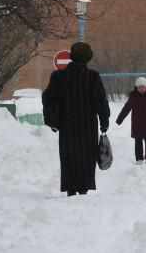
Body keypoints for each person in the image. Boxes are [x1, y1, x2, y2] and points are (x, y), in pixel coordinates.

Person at [41, 42, 110, 196]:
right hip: (88, 126)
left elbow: (48, 98)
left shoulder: (58, 76)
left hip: (67, 126)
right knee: (86, 156)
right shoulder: (93, 77)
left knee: (69, 156)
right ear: (88, 58)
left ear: (72, 56)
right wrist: (104, 122)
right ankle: (84, 188)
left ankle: (71, 188)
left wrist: (53, 121)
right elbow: (101, 101)